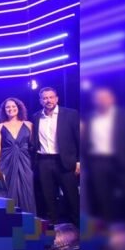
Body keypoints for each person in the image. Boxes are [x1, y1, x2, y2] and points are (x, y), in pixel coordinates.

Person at [84, 87, 125, 225]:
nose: (102, 101)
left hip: (124, 161)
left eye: (105, 98)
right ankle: (108, 231)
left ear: (112, 99)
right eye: (98, 98)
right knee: (103, 199)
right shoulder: (90, 117)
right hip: (98, 163)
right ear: (94, 101)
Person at [32, 87, 80, 224]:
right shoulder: (36, 117)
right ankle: (53, 226)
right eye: (45, 98)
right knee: (48, 196)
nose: (48, 100)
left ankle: (78, 225)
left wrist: (79, 161)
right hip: (43, 161)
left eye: (51, 97)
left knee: (71, 195)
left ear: (57, 98)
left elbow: (80, 138)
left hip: (65, 161)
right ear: (40, 101)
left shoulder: (71, 114)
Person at [0, 98, 35, 214]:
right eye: (8, 107)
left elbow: (33, 145)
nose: (11, 109)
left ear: (19, 108)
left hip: (25, 162)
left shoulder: (29, 125)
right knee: (6, 191)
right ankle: (9, 220)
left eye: (13, 106)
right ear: (4, 110)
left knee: (27, 190)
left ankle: (27, 219)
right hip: (6, 162)